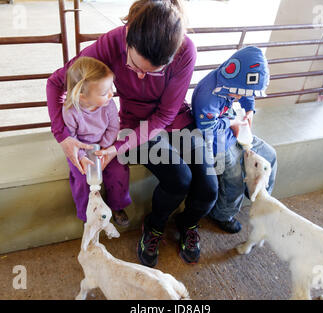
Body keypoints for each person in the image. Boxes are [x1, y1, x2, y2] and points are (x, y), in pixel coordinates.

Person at [46, 0, 218, 267]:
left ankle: (189, 223)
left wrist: (115, 149)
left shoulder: (187, 51)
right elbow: (56, 81)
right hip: (134, 126)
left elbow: (164, 116)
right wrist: (63, 136)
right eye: (134, 67)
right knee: (179, 179)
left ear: (173, 55)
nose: (139, 78)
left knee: (209, 188)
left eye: (152, 72)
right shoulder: (111, 42)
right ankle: (154, 227)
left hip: (176, 119)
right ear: (127, 38)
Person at [192, 46, 277, 234]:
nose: (241, 96)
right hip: (215, 140)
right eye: (240, 93)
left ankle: (260, 194)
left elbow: (248, 95)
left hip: (234, 127)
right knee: (234, 175)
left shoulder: (236, 84)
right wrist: (232, 122)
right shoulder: (207, 96)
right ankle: (223, 214)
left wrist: (249, 112)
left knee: (270, 154)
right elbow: (207, 128)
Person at [62, 56, 131, 225]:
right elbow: (71, 138)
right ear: (82, 97)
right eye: (103, 92)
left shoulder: (108, 104)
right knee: (82, 178)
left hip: (105, 145)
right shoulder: (70, 111)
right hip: (81, 151)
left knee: (119, 171)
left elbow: (114, 127)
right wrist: (84, 156)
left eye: (110, 88)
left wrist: (104, 148)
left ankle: (117, 205)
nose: (111, 94)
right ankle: (88, 213)